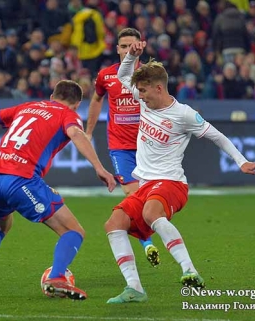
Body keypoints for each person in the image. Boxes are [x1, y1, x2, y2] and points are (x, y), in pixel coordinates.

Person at [105, 41, 255, 303]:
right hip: (145, 184)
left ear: (159, 88)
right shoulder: (144, 100)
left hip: (171, 183)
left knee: (150, 213)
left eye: (145, 91)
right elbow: (124, 76)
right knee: (114, 224)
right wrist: (131, 57)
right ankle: (134, 288)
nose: (140, 96)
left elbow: (218, 137)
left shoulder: (184, 115)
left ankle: (189, 270)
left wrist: (241, 162)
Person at [0, 80, 117, 307]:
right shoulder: (67, 114)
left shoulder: (27, 106)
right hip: (21, 178)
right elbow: (77, 135)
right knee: (74, 231)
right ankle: (57, 277)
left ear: (52, 95)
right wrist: (100, 168)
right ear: (77, 103)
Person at [85, 28, 160, 267]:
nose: (128, 50)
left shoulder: (149, 75)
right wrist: (88, 130)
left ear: (140, 47)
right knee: (132, 194)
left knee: (150, 197)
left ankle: (145, 235)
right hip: (120, 146)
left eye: (132, 46)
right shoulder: (106, 76)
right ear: (117, 49)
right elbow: (97, 99)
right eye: (123, 46)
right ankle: (146, 243)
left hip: (147, 144)